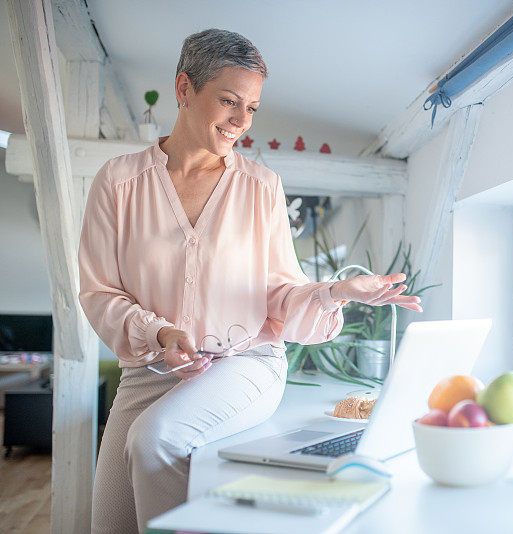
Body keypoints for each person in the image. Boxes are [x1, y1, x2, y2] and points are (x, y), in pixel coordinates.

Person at [78, 28, 422, 534]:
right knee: (109, 523)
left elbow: (280, 293)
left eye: (253, 108)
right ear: (184, 89)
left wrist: (336, 291)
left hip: (245, 364)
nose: (242, 121)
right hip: (147, 373)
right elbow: (99, 291)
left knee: (154, 437)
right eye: (229, 101)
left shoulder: (261, 187)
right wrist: (161, 334)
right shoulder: (119, 182)